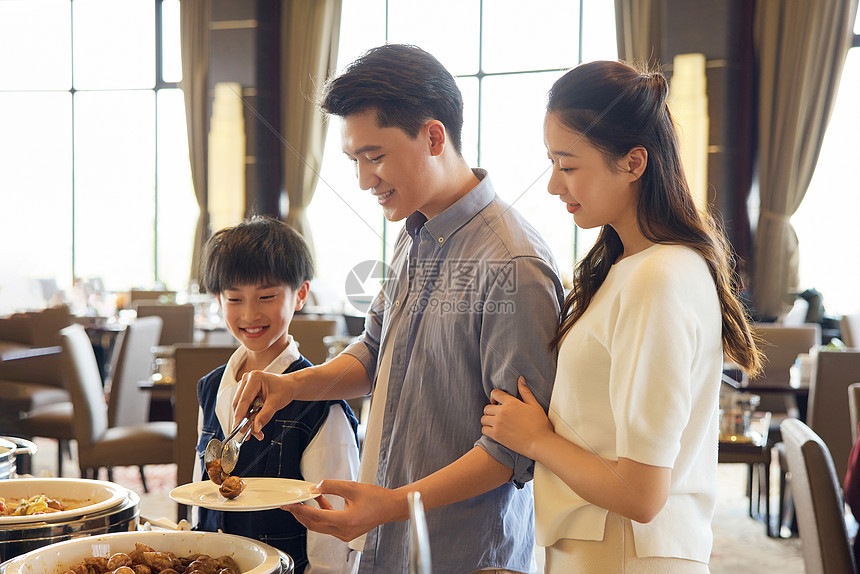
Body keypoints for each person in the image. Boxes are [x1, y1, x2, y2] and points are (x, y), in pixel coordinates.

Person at [232, 44, 563, 574]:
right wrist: (295, 385)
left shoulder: (512, 263)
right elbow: (374, 351)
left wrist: (392, 504)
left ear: (434, 137)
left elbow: (514, 453)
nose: (365, 180)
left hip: (462, 551)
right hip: (385, 541)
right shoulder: (413, 233)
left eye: (375, 156)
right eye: (355, 160)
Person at [481, 60, 763, 573]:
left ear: (634, 162)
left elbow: (641, 491)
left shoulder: (658, 276)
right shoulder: (636, 266)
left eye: (567, 166)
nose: (552, 185)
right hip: (611, 544)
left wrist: (536, 439)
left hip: (622, 549)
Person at [194, 215, 360, 574]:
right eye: (234, 298)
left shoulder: (319, 404)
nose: (250, 313)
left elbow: (333, 525)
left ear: (300, 294)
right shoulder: (212, 387)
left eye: (266, 296)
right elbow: (201, 490)